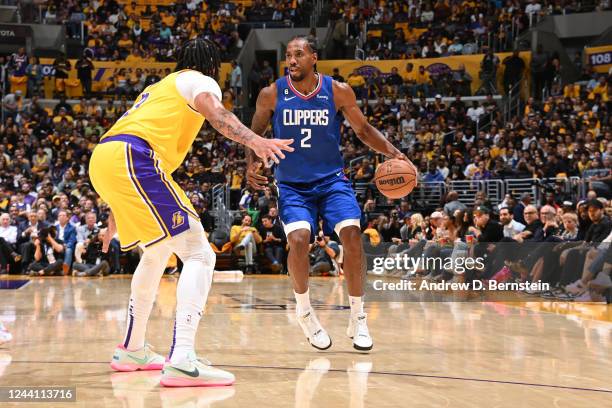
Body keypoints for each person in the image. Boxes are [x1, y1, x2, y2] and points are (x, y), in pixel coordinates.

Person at [88, 39, 293, 387]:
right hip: (134, 157)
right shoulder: (199, 80)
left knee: (155, 252)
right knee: (199, 252)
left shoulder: (159, 88)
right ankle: (182, 358)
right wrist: (255, 142)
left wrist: (114, 217)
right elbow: (217, 114)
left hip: (107, 159)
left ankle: (132, 348)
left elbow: (120, 154)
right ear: (212, 64)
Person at [246, 36, 417, 352]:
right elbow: (254, 135)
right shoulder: (271, 94)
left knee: (352, 235)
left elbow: (364, 131)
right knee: (298, 240)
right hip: (293, 186)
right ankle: (305, 312)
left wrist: (396, 154)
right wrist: (252, 164)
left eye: (298, 54)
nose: (291, 60)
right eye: (288, 55)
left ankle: (358, 317)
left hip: (331, 182)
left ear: (314, 57)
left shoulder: (338, 91)